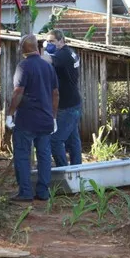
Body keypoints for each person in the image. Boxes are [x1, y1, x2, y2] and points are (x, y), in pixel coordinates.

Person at [6, 34, 59, 202]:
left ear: (23, 49)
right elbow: (55, 94)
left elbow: (18, 92)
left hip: (26, 120)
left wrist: (10, 114)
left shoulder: (23, 66)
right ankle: (43, 192)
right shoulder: (48, 67)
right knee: (44, 156)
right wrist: (54, 117)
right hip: (45, 120)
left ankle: (26, 192)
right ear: (37, 47)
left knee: (22, 155)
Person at [41, 29, 82, 166]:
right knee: (73, 140)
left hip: (68, 106)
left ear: (61, 41)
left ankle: (63, 171)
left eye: (52, 41)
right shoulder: (70, 52)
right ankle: (77, 170)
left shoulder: (63, 54)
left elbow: (47, 59)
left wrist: (37, 50)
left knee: (55, 141)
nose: (49, 44)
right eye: (47, 41)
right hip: (73, 103)